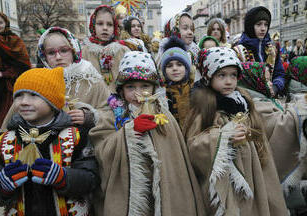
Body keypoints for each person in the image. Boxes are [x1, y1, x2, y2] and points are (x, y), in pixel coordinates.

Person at [89, 51, 206, 216]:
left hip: (163, 189)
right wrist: (129, 132)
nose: (138, 93)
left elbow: (176, 160)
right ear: (121, 90)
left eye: (144, 86)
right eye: (131, 87)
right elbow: (101, 150)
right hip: (127, 191)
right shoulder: (111, 115)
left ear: (153, 88)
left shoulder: (163, 115)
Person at [184, 46, 289, 215]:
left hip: (253, 169)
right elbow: (194, 145)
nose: (229, 81)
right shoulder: (207, 107)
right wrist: (222, 137)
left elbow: (259, 131)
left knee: (256, 204)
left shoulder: (244, 101)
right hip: (226, 177)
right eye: (222, 75)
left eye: (233, 75)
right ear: (208, 77)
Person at [0, 67, 97, 215]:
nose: (24, 102)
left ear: (52, 101)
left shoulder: (76, 137)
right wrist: (2, 186)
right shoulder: (2, 142)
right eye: (19, 96)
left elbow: (91, 180)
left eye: (34, 95)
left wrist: (63, 177)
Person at [2, 27, 111, 131]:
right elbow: (12, 119)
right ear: (44, 56)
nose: (58, 57)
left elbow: (111, 113)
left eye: (64, 51)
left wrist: (89, 117)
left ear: (74, 51)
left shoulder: (91, 79)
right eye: (51, 53)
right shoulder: (36, 80)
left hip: (84, 142)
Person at [0, 11, 31, 128]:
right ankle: (5, 141)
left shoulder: (15, 40)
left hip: (13, 85)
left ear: (5, 23)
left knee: (14, 117)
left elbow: (24, 65)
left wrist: (3, 73)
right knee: (0, 118)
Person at [234, 6, 285, 97]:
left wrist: (276, 87)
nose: (263, 28)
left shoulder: (272, 49)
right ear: (250, 26)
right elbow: (236, 80)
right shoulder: (238, 50)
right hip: (249, 100)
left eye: (266, 24)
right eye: (258, 24)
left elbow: (279, 73)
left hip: (271, 99)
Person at [82, 5, 130, 92]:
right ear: (93, 26)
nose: (105, 28)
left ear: (115, 27)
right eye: (100, 24)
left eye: (109, 24)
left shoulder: (123, 51)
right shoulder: (84, 52)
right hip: (94, 102)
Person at [160, 36, 193, 129]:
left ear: (186, 68)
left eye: (179, 64)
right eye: (169, 66)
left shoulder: (196, 89)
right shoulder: (161, 94)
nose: (175, 68)